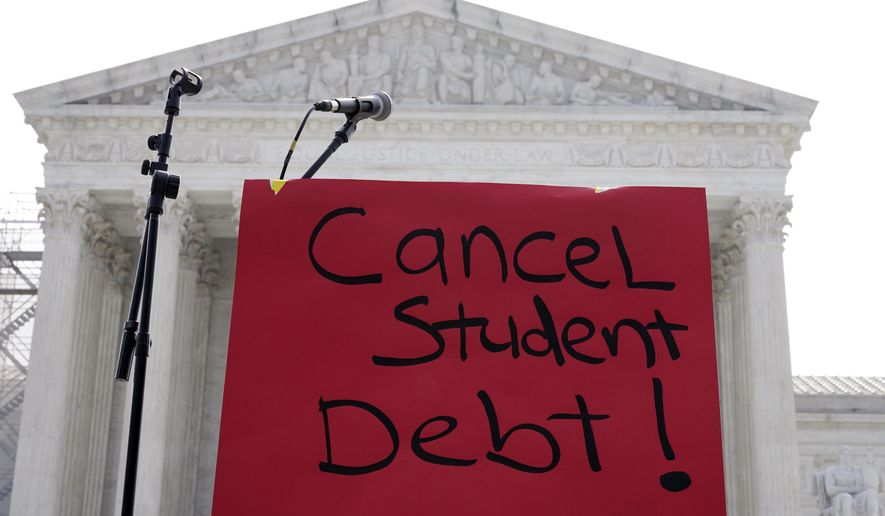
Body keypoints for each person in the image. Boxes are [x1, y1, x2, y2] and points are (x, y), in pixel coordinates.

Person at [824, 446, 881, 516]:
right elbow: (830, 490)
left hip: (857, 497)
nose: (846, 457)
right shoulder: (832, 470)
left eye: (848, 455)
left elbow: (866, 485)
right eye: (843, 454)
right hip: (839, 497)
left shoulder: (856, 470)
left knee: (871, 493)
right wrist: (850, 489)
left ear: (851, 457)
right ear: (839, 456)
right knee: (846, 497)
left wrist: (870, 467)